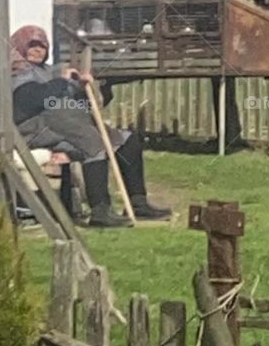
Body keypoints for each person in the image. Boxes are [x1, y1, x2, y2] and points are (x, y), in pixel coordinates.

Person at [10, 24, 170, 228]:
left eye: (42, 45)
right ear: (20, 45)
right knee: (92, 142)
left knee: (127, 140)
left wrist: (82, 86)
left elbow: (75, 101)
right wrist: (62, 83)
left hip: (64, 126)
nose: (37, 49)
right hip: (34, 130)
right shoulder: (17, 72)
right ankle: (100, 211)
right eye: (32, 44)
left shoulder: (48, 71)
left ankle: (138, 203)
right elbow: (32, 100)